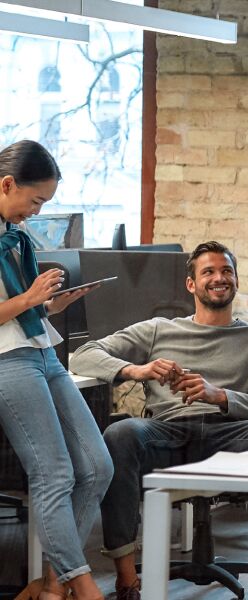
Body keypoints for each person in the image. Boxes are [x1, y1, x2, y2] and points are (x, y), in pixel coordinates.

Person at [70, 241, 248, 600]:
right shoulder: (159, 330)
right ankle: (127, 580)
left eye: (226, 271)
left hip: (233, 435)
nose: (219, 278)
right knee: (121, 433)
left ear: (235, 280)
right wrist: (136, 369)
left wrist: (220, 396)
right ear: (191, 285)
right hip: (167, 433)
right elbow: (82, 354)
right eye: (209, 272)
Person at [0, 140, 112, 600]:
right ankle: (81, 587)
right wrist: (30, 299)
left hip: (42, 350)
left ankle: (51, 583)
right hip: (7, 361)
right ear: (7, 184)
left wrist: (49, 305)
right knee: (55, 473)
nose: (36, 210)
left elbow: (21, 307)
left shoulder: (14, 235)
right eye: (35, 201)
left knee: (97, 465)